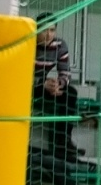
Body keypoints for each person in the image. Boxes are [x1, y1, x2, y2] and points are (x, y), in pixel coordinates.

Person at [33, 15, 81, 165]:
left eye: (52, 30)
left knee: (70, 93)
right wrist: (42, 83)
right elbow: (17, 74)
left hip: (44, 84)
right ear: (36, 30)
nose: (48, 35)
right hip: (24, 85)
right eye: (44, 30)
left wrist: (59, 84)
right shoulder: (28, 43)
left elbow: (65, 72)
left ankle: (63, 142)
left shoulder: (60, 45)